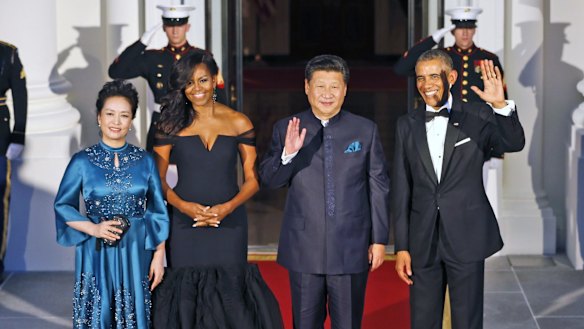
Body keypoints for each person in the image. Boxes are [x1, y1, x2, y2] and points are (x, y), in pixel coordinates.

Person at [392, 49, 525, 329]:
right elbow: (402, 189)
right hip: (422, 240)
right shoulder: (406, 124)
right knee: (422, 321)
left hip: (467, 235)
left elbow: (513, 143)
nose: (426, 84)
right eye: (420, 78)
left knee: (467, 321)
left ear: (451, 77)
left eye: (433, 76)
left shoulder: (477, 115)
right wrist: (402, 246)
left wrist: (500, 106)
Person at [151, 49, 283, 329]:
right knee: (187, 295)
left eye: (202, 80)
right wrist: (184, 206)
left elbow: (252, 179)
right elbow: (157, 180)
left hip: (230, 223)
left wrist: (228, 208)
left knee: (230, 295)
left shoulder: (238, 122)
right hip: (185, 224)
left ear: (216, 79)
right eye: (188, 83)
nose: (196, 89)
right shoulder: (169, 124)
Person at [259, 54, 390, 329]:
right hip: (304, 246)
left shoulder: (365, 130)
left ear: (345, 89)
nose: (327, 94)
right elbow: (270, 180)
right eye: (320, 86)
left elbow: (378, 186)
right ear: (307, 87)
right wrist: (288, 155)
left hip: (351, 246)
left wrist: (379, 239)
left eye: (334, 86)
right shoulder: (288, 127)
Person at [54, 80, 169, 328]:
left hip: (137, 249)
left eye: (124, 116)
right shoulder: (81, 161)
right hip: (95, 250)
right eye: (110, 114)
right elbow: (63, 205)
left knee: (135, 314)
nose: (116, 122)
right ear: (98, 117)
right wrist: (94, 229)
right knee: (98, 312)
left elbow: (157, 210)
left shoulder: (146, 160)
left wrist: (159, 254)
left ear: (131, 121)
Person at [108, 4, 225, 151]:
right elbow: (116, 71)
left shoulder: (201, 57)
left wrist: (213, 122)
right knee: (156, 172)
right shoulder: (153, 58)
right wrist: (142, 42)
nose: (175, 31)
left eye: (180, 25)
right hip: (161, 124)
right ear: (164, 28)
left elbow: (217, 94)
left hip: (194, 123)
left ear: (187, 27)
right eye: (170, 25)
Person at [394, 6, 506, 104]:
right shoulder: (439, 57)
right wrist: (433, 39)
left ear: (474, 30)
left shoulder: (488, 58)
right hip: (447, 119)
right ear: (452, 31)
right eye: (460, 28)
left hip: (480, 121)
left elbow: (501, 94)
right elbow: (401, 68)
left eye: (469, 27)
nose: (465, 33)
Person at [0, 40, 27, 274]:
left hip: (0, 133)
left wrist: (18, 134)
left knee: (0, 199)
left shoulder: (7, 53)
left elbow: (20, 94)